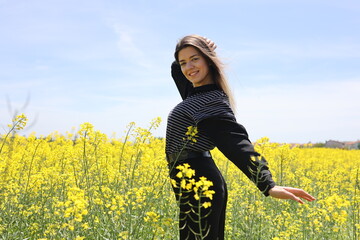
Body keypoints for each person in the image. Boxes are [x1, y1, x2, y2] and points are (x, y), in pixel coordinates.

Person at [165, 34, 315, 240]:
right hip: (187, 178)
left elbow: (235, 142)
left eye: (195, 59)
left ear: (209, 60)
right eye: (184, 62)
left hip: (199, 182)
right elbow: (178, 72)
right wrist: (190, 54)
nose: (188, 67)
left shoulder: (209, 101)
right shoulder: (195, 94)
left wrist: (267, 184)